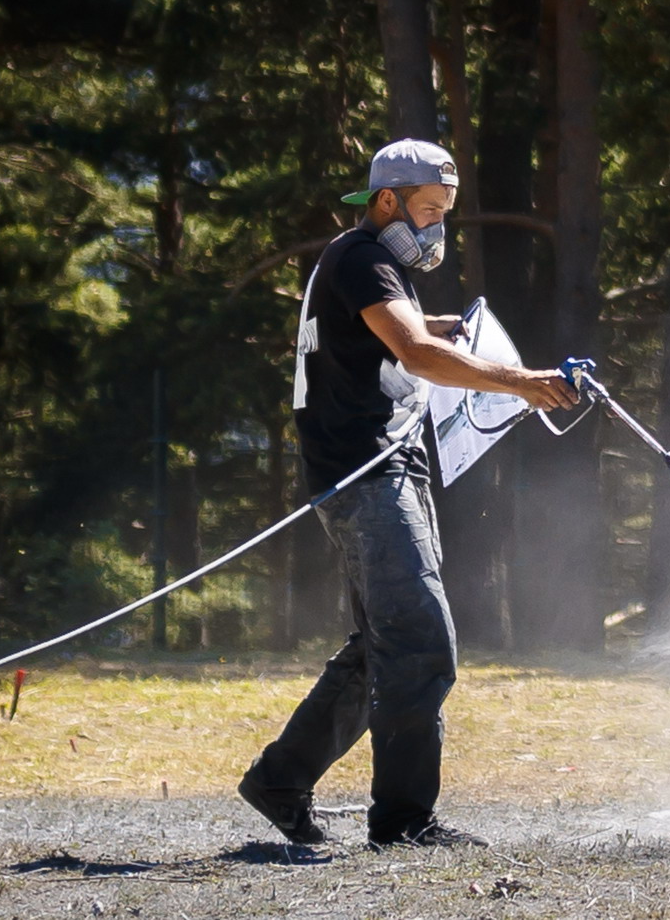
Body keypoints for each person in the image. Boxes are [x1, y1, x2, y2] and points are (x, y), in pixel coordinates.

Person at [237, 138, 577, 853]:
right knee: (421, 642)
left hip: (382, 474)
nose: (437, 228)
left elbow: (405, 337)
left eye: (445, 213)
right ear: (386, 201)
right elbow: (416, 354)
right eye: (428, 211)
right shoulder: (363, 258)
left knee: (384, 644)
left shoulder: (372, 266)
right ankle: (403, 822)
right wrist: (522, 382)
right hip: (368, 478)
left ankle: (281, 779)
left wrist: (445, 329)